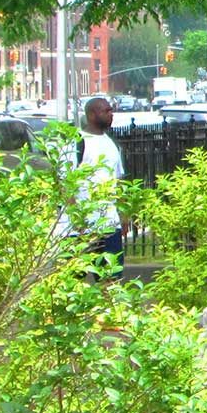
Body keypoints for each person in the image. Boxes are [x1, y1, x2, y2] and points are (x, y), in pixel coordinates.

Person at [67, 95, 126, 278]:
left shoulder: (110, 144)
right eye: (106, 111)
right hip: (82, 228)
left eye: (111, 110)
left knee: (110, 278)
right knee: (76, 280)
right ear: (92, 114)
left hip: (109, 224)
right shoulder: (77, 143)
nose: (111, 114)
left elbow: (117, 181)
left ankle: (110, 307)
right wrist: (77, 219)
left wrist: (123, 215)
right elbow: (66, 184)